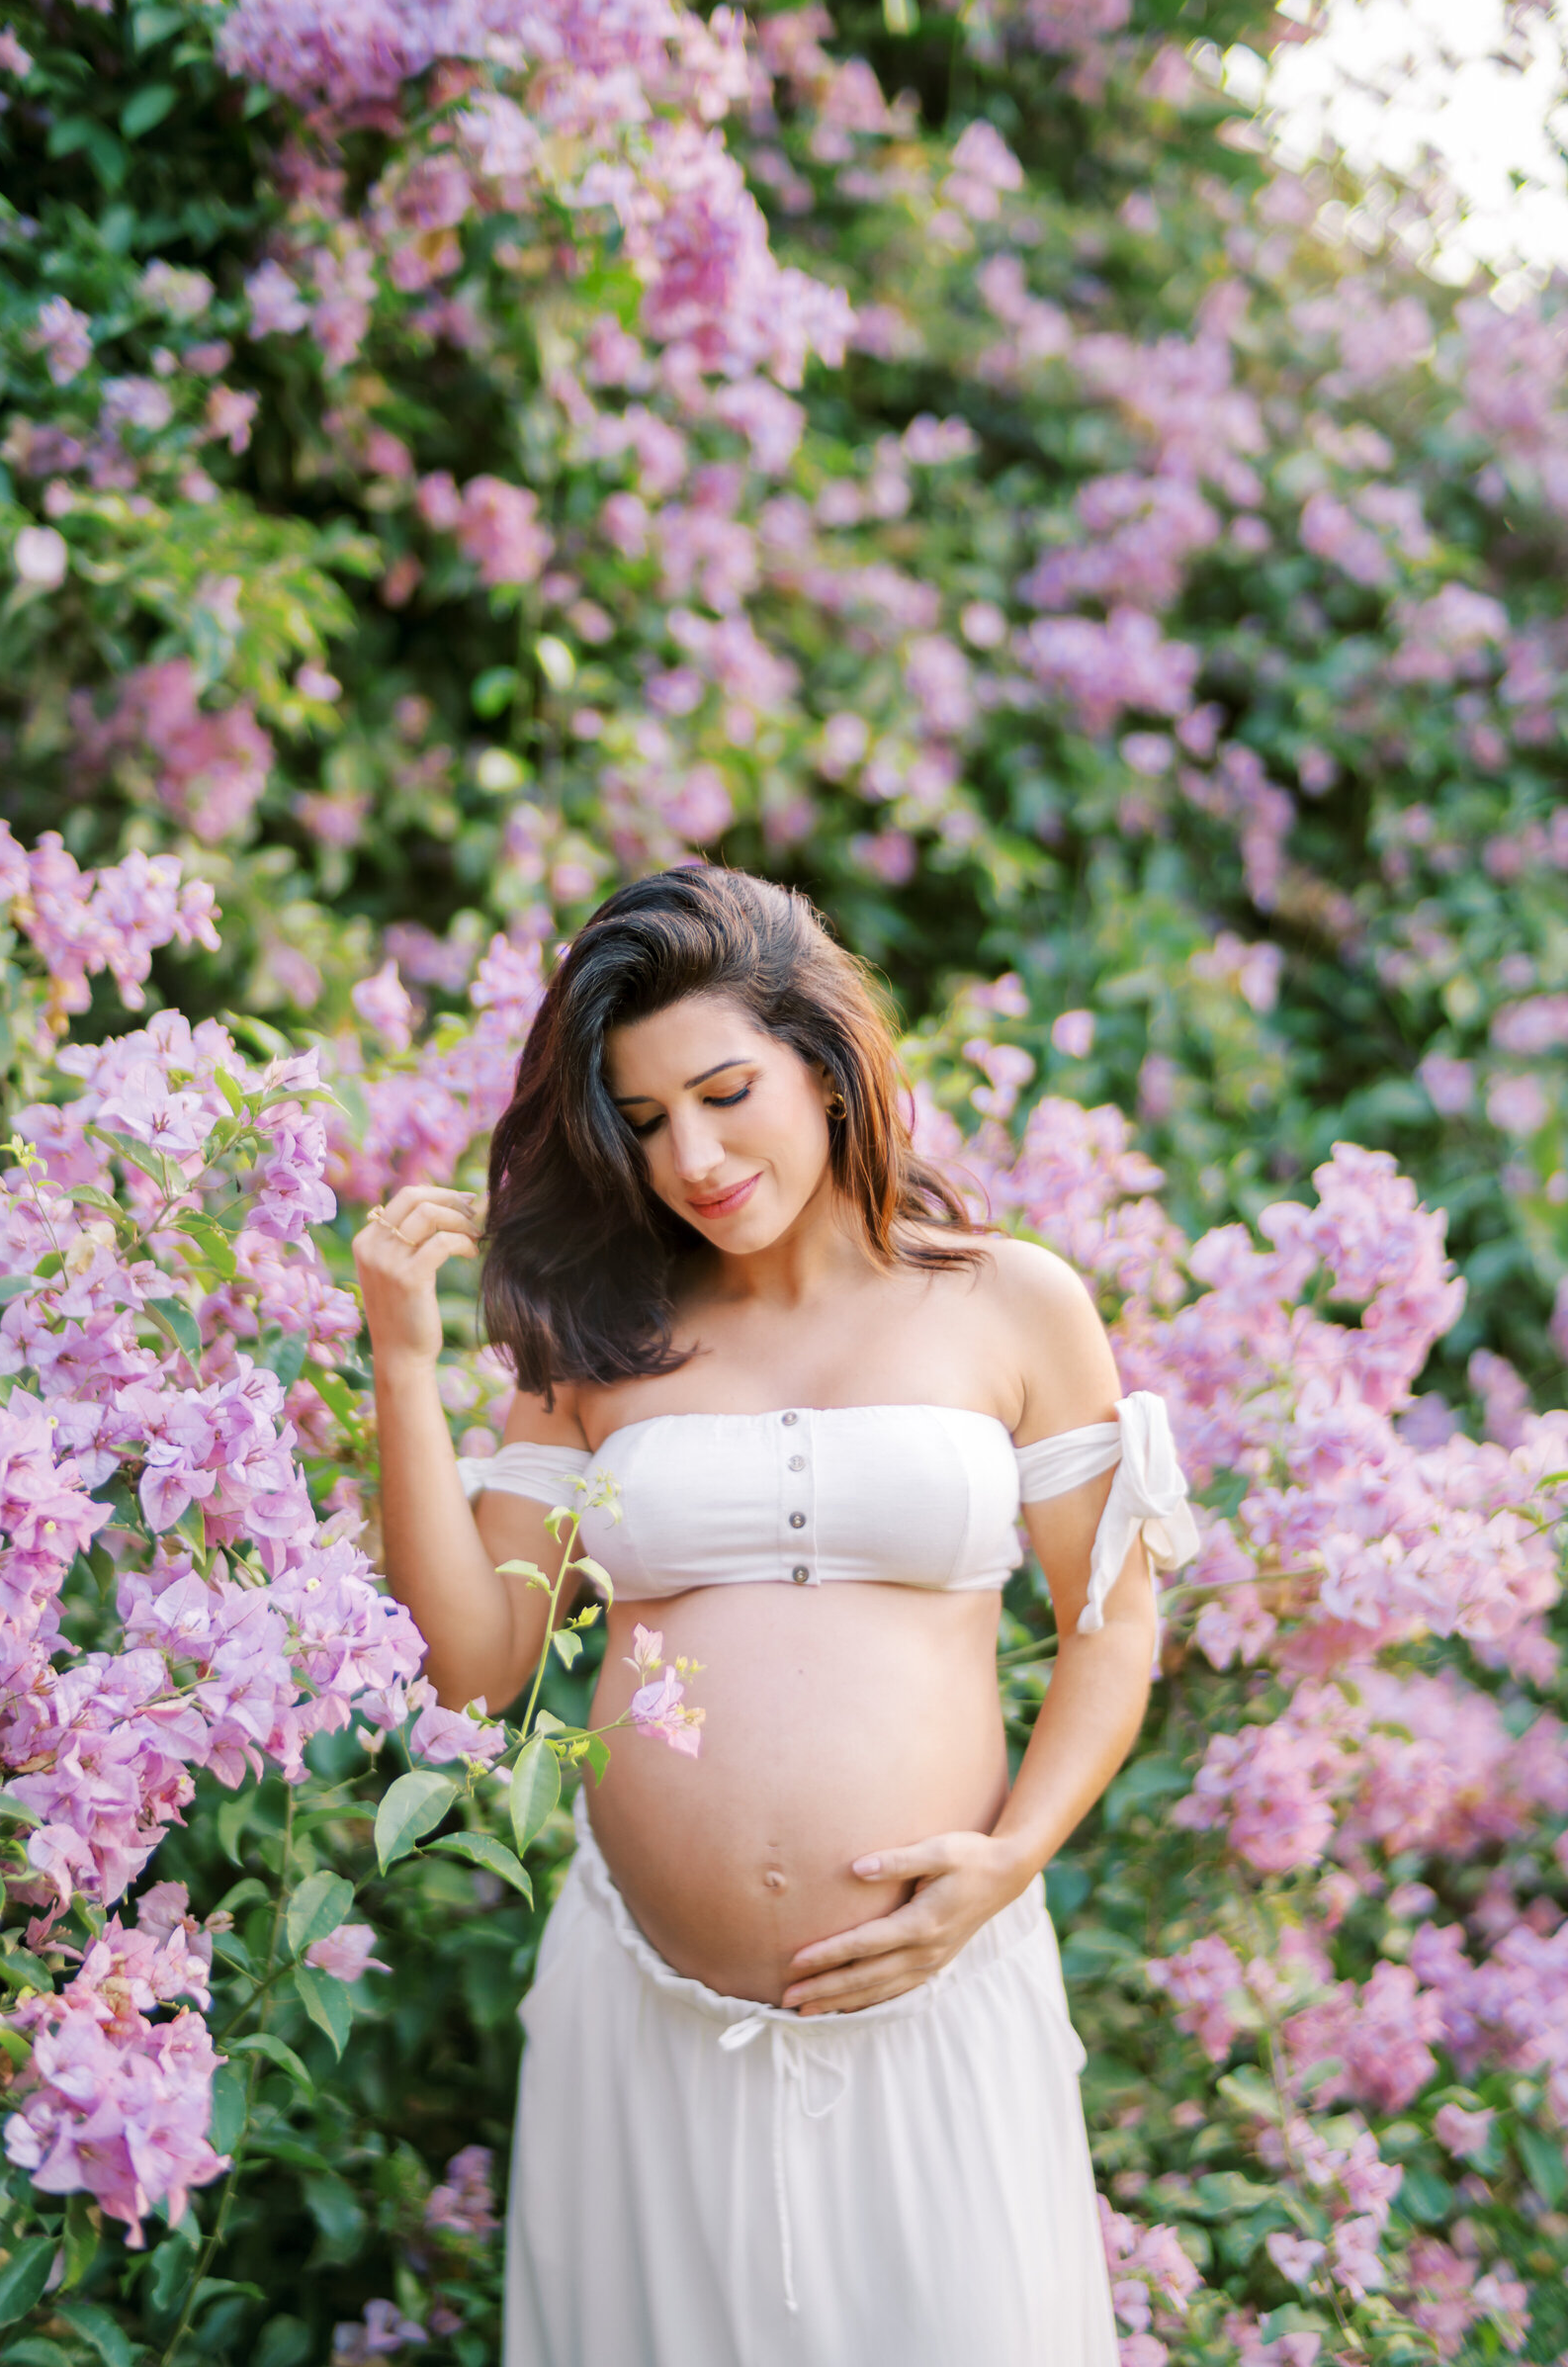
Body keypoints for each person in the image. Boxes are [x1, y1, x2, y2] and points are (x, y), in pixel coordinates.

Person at [353, 866, 1199, 2367]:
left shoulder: (1013, 1305)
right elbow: (474, 1668)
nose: (693, 1153)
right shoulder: (597, 1341)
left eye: (728, 1091)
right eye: (645, 1119)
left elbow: (1111, 1626)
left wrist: (1009, 1865)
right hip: (642, 2030)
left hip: (939, 1999)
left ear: (824, 1065)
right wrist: (405, 1370)